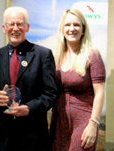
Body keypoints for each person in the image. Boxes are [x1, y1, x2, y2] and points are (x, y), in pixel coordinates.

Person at [0, 6, 58, 151]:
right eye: (11, 24)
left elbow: (51, 94)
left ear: (27, 27)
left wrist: (29, 108)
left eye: (20, 24)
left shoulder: (43, 55)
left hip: (32, 137)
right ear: (4, 28)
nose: (15, 28)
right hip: (0, 138)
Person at [50, 8, 106, 151]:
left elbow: (99, 93)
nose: (72, 29)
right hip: (58, 120)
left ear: (83, 30)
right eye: (67, 25)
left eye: (76, 25)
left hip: (84, 121)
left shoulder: (92, 55)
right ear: (62, 29)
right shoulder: (55, 55)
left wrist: (93, 124)